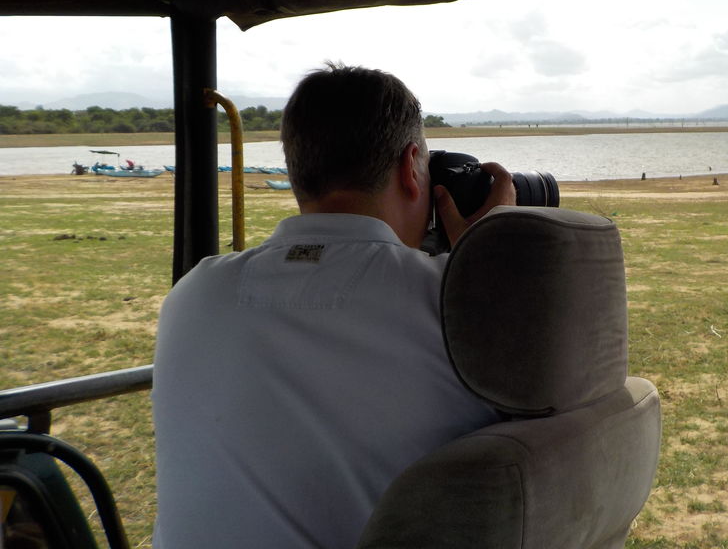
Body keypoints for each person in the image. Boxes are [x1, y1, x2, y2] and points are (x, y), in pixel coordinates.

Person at [152, 62, 515, 549]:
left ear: (298, 169)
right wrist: (489, 256)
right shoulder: (459, 298)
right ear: (411, 167)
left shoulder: (195, 291)